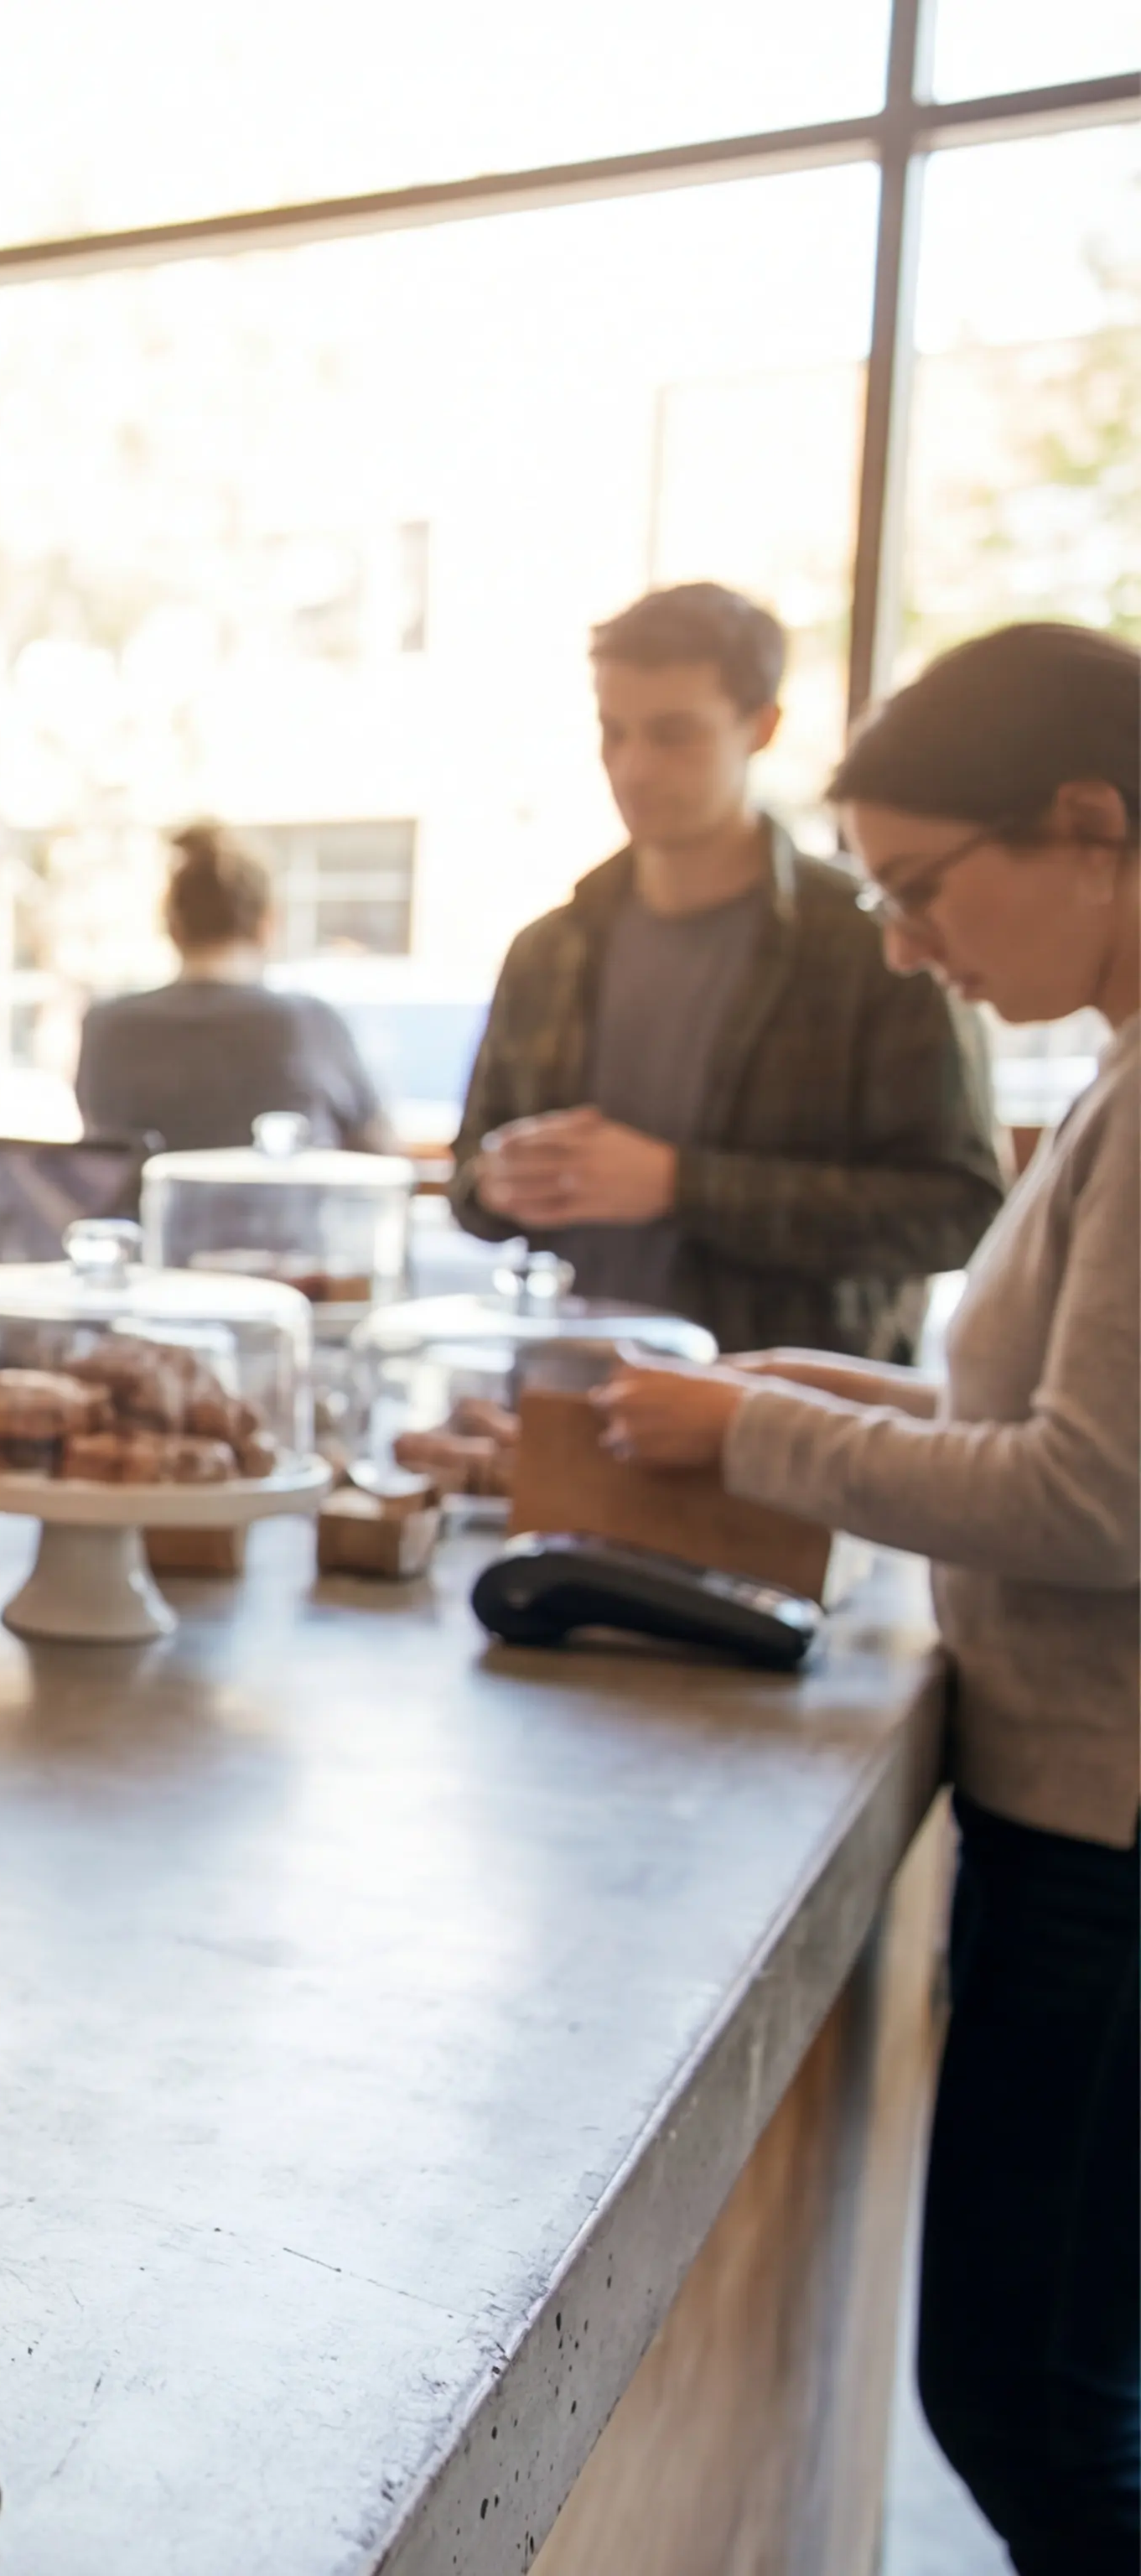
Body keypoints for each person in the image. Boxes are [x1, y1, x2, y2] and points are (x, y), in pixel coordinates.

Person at [593, 621, 1136, 2576]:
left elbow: (1088, 1491)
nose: (905, 942)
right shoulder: (1109, 1073)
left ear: (1086, 826)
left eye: (923, 888)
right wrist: (803, 1389)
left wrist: (752, 1439)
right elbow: (1043, 1403)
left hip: (1105, 1836)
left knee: (1032, 2398)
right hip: (1070, 1812)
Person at [450, 581, 1002, 1351]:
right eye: (615, 732)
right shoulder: (548, 949)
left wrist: (680, 1186)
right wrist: (500, 1183)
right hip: (567, 1404)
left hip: (787, 1427)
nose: (634, 768)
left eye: (674, 734)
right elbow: (469, 1184)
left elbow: (958, 1212)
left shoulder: (875, 941)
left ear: (762, 727)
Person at [73, 821, 395, 1153]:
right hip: (282, 1207)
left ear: (171, 924)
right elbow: (381, 1155)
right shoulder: (309, 1024)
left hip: (147, 1207)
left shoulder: (106, 1028)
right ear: (268, 923)